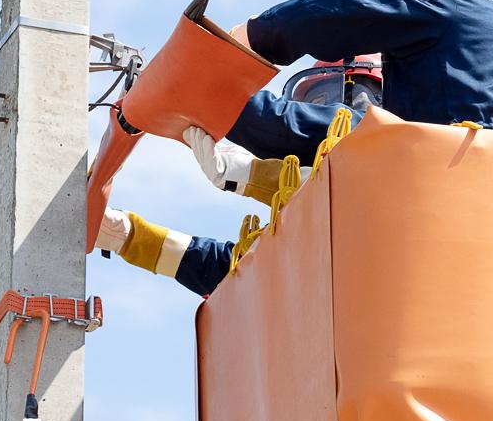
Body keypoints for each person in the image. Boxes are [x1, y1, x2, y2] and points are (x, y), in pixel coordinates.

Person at [98, 0, 493, 293]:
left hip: (446, 195)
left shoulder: (450, 0)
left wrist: (224, 65)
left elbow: (333, 23)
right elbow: (245, 273)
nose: (336, 107)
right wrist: (126, 235)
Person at [97, 55, 382, 296]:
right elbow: (239, 274)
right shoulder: (310, 228)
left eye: (328, 98)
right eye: (313, 100)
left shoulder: (389, 145)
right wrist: (128, 237)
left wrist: (193, 90)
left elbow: (300, 131)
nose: (322, 109)